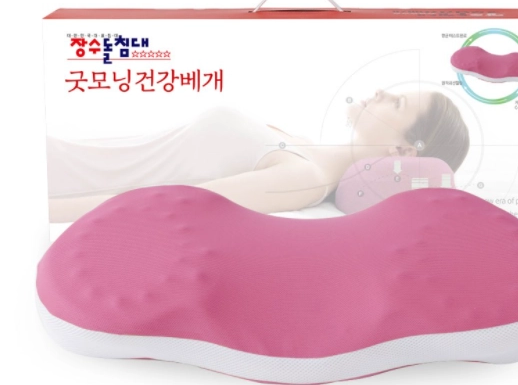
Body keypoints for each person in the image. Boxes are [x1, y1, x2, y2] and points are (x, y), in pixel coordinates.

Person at [47, 88, 470, 222]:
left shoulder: (304, 179)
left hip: (64, 182)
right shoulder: (304, 144)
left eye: (397, 103)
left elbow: (161, 204)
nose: (381, 91)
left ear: (402, 150)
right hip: (64, 154)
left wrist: (40, 211)